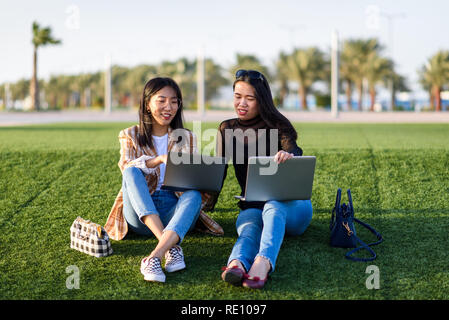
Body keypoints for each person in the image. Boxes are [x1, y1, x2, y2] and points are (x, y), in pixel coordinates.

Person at [104, 77, 215, 283]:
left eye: (174, 101)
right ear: (147, 104)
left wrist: (202, 179)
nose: (168, 107)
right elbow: (125, 166)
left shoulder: (187, 137)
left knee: (193, 194)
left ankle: (154, 256)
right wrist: (157, 160)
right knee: (131, 172)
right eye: (161, 100)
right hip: (140, 214)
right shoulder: (129, 135)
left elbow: (191, 182)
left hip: (176, 215)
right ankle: (169, 246)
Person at [215, 69, 313, 289]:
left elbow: (294, 150)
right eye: (237, 96)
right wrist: (205, 203)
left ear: (262, 100)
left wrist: (289, 156)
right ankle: (237, 264)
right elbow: (218, 171)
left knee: (273, 206)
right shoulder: (227, 128)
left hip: (293, 210)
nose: (241, 103)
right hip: (252, 206)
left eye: (249, 99)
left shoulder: (279, 125)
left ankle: (263, 262)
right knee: (249, 228)